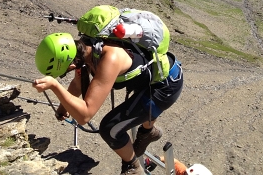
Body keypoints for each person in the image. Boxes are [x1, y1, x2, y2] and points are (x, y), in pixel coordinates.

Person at [33, 32, 183, 175]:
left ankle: (133, 167)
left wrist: (55, 86)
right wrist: (62, 108)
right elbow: (78, 84)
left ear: (71, 65)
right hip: (153, 78)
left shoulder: (110, 58)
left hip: (165, 87)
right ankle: (149, 132)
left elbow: (84, 116)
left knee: (110, 128)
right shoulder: (85, 48)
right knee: (135, 110)